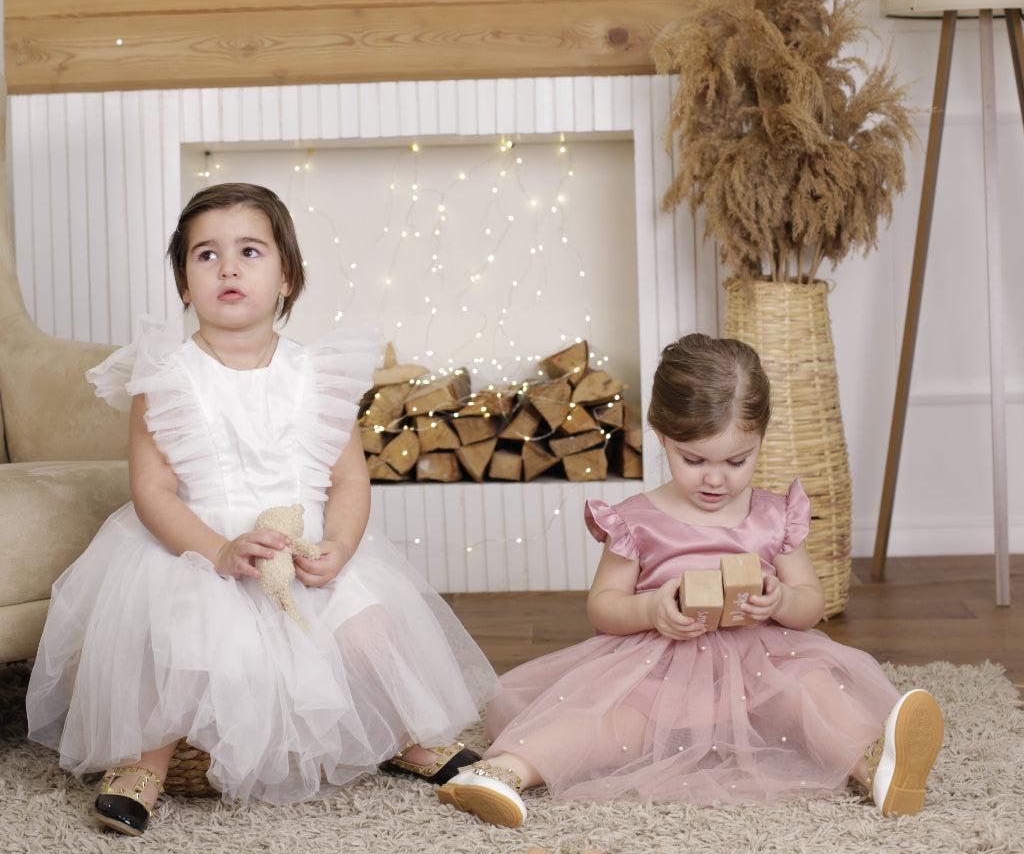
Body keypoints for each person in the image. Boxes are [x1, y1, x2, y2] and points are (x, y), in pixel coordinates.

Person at [27, 183, 499, 834]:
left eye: (249, 251)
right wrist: (218, 551)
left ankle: (402, 736)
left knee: (368, 629)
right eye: (205, 255)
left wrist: (338, 547)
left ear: (287, 278)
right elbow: (153, 491)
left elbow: (349, 483)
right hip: (195, 547)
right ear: (184, 284)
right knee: (170, 632)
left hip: (301, 549)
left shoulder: (320, 375)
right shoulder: (165, 375)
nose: (227, 267)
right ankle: (146, 761)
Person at [437, 334, 944, 827]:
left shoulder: (773, 514)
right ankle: (503, 772)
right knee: (612, 721)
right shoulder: (636, 519)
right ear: (662, 437)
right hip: (660, 667)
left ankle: (876, 767)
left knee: (812, 693)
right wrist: (652, 609)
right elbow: (604, 606)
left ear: (760, 439)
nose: (715, 479)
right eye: (693, 459)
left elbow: (811, 604)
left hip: (761, 667)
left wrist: (780, 599)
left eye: (737, 461)